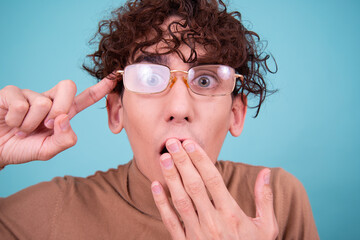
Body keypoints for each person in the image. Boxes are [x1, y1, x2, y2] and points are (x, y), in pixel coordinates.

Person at [0, 0, 319, 239]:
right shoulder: (48, 213)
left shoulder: (277, 199)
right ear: (116, 112)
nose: (179, 107)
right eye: (150, 78)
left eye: (205, 81)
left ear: (236, 115)